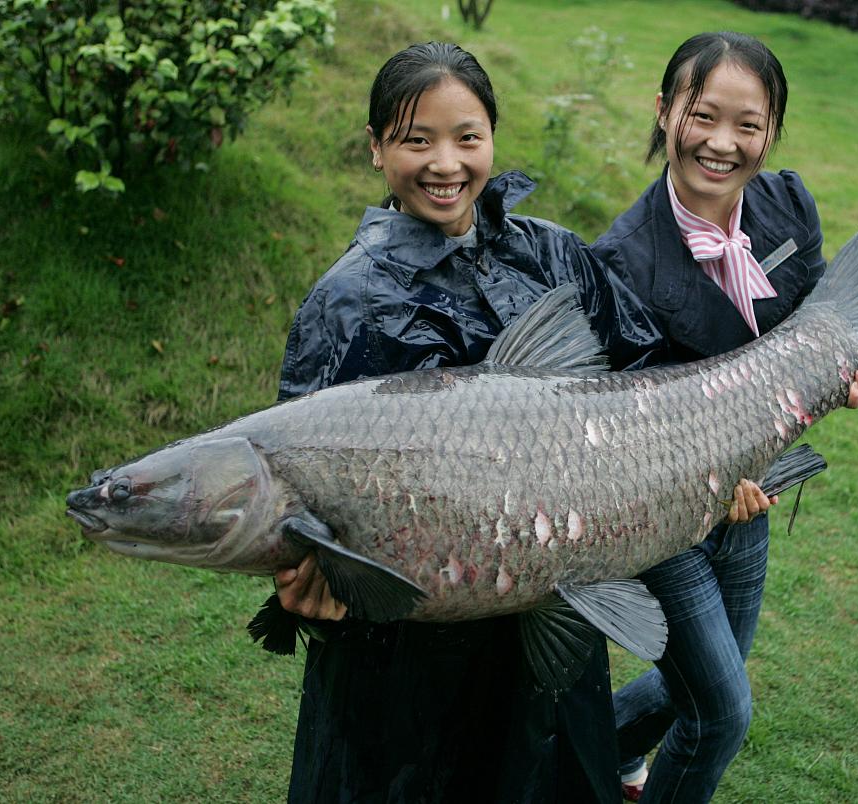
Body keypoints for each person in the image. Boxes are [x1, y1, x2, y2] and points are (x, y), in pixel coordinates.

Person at [268, 41, 666, 803]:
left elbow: (645, 374)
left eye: (468, 137)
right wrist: (303, 587)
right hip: (405, 671)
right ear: (377, 148)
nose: (445, 163)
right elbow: (294, 488)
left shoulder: (551, 254)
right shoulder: (346, 300)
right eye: (418, 140)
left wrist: (709, 472)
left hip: (555, 613)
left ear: (492, 137)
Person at [591, 32, 858, 803]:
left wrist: (850, 375)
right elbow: (625, 430)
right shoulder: (619, 263)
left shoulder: (787, 204)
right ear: (664, 114)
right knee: (720, 713)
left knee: (684, 686)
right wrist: (707, 479)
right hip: (662, 518)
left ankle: (589, 752)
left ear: (772, 132)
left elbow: (819, 327)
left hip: (753, 497)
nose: (722, 145)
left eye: (749, 124)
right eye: (703, 116)